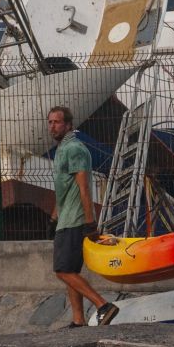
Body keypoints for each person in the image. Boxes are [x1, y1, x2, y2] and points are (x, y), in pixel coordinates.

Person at [47, 105, 118, 328]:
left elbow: (84, 188)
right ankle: (78, 320)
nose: (52, 126)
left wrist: (90, 222)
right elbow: (63, 190)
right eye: (50, 122)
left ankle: (103, 305)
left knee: (62, 271)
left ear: (69, 125)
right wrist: (53, 217)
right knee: (71, 270)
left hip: (76, 220)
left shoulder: (75, 149)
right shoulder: (61, 149)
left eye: (57, 122)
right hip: (65, 218)